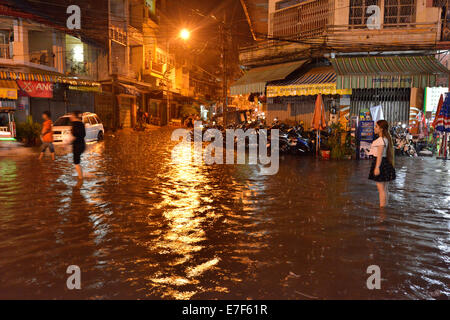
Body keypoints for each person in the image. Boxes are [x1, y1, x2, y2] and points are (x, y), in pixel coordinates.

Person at [368, 120, 396, 208]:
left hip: (380, 164)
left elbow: (379, 156)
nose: (374, 128)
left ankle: (382, 209)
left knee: (381, 190)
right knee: (385, 189)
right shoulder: (386, 139)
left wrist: (377, 168)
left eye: (376, 126)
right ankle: (385, 206)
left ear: (381, 129)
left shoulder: (380, 140)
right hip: (386, 163)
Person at [70, 111, 86, 180]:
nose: (70, 117)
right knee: (77, 162)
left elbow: (74, 134)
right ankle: (81, 176)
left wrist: (68, 141)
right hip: (82, 144)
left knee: (76, 162)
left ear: (74, 116)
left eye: (71, 115)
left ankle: (80, 179)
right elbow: (83, 134)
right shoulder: (82, 124)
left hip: (77, 145)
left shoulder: (74, 124)